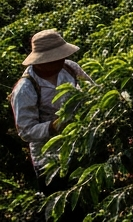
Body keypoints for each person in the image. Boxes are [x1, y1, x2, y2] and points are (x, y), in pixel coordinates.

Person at [11, 29, 90, 178]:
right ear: (40, 61)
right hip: (49, 158)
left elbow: (92, 91)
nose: (61, 60)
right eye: (55, 58)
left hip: (80, 145)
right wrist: (54, 126)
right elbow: (26, 131)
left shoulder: (70, 68)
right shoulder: (25, 89)